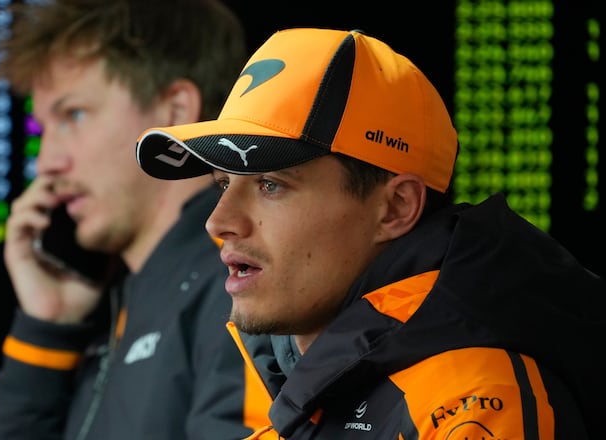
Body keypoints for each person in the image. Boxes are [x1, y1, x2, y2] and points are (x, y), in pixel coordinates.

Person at [135, 27, 606, 439]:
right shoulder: (293, 406)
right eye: (223, 184)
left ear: (395, 208)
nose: (218, 222)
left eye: (270, 184)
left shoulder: (478, 402)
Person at [0, 0, 269, 439]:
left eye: (73, 115)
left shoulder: (242, 286)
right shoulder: (120, 301)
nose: (47, 162)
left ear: (175, 111)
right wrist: (47, 328)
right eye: (42, 129)